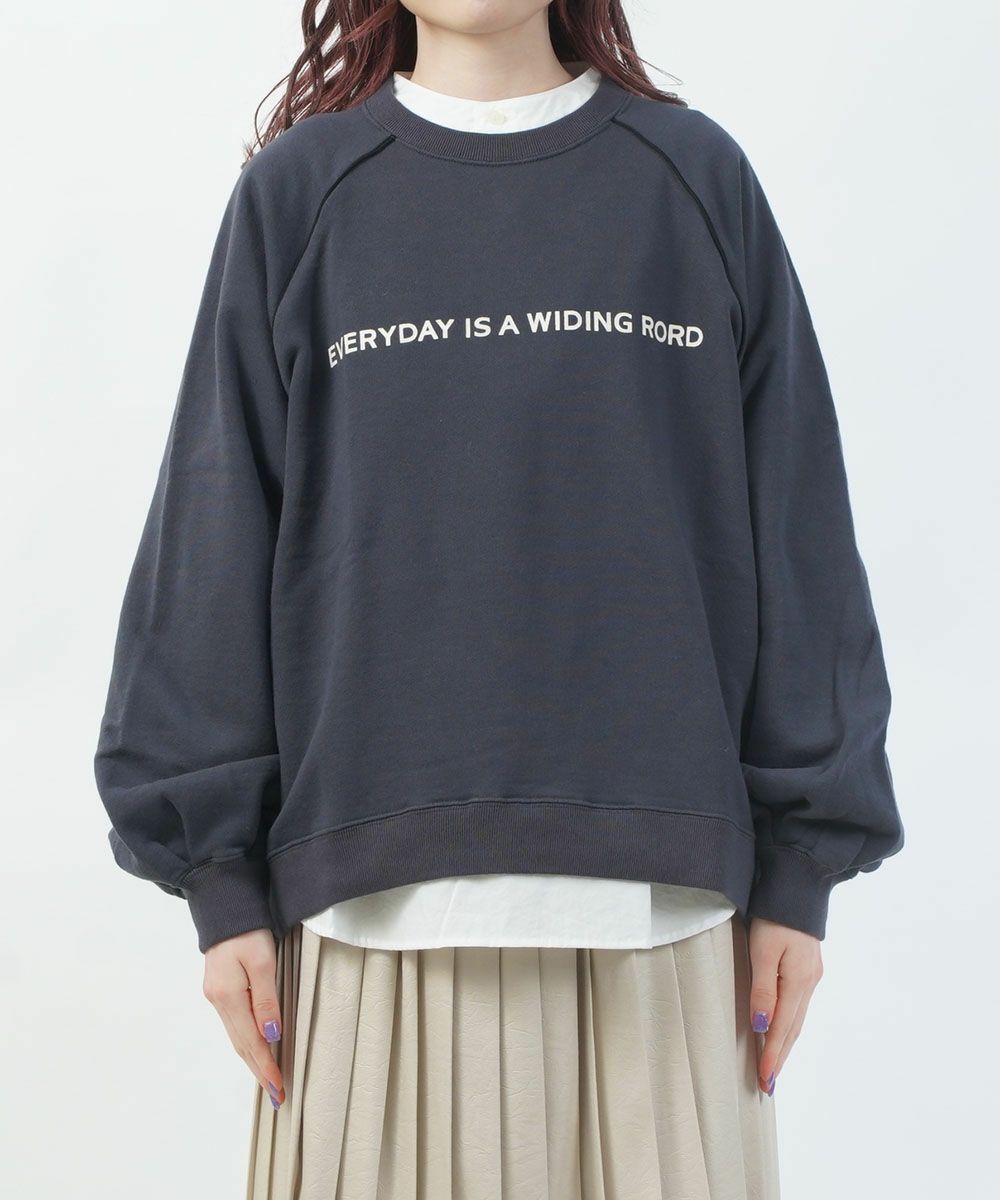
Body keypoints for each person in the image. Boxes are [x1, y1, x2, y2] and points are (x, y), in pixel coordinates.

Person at [94, 2, 905, 1196]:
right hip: (362, 931)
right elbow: (211, 546)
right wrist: (218, 888)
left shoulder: (692, 182)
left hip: (667, 928)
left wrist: (800, 873)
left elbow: (799, 533)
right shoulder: (298, 196)